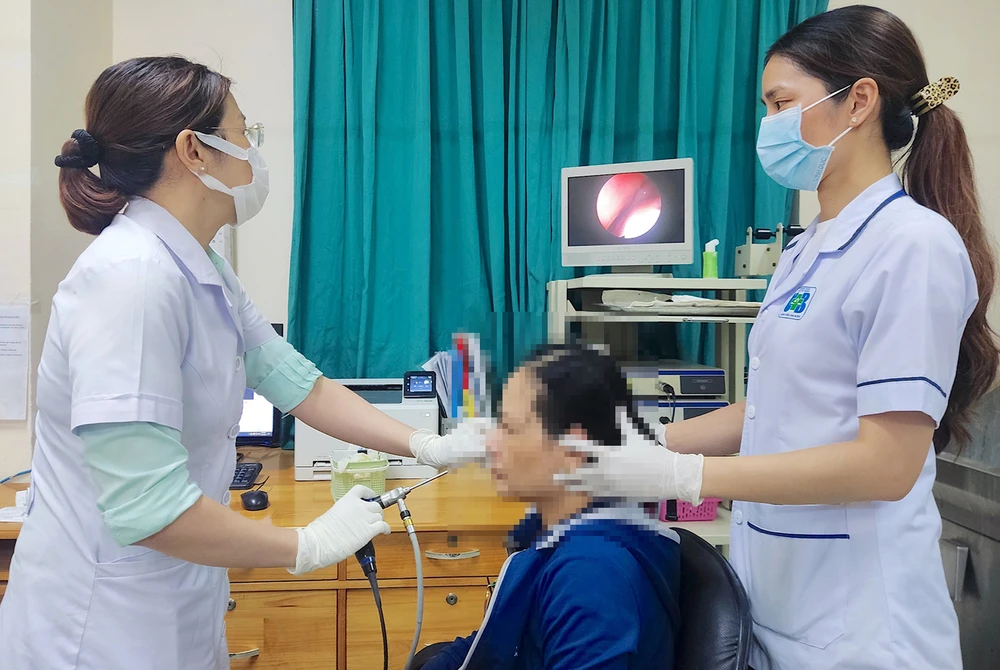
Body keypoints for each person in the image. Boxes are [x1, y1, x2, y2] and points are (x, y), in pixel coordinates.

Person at [0, 56, 483, 669]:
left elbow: (296, 383)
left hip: (175, 604)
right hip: (98, 629)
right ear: (193, 151)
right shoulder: (129, 281)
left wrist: (425, 445)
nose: (254, 154)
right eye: (242, 134)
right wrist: (304, 543)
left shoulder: (200, 268)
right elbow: (149, 509)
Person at [558, 6, 997, 670]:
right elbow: (772, 408)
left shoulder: (912, 246)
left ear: (859, 102)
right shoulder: (805, 249)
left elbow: (887, 462)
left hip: (862, 634)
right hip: (777, 608)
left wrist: (684, 473)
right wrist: (637, 441)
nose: (769, 126)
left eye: (782, 103)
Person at [413, 343, 680, 670]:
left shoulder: (590, 576)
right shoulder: (552, 531)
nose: (491, 443)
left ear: (574, 449)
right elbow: (498, 637)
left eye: (510, 428)